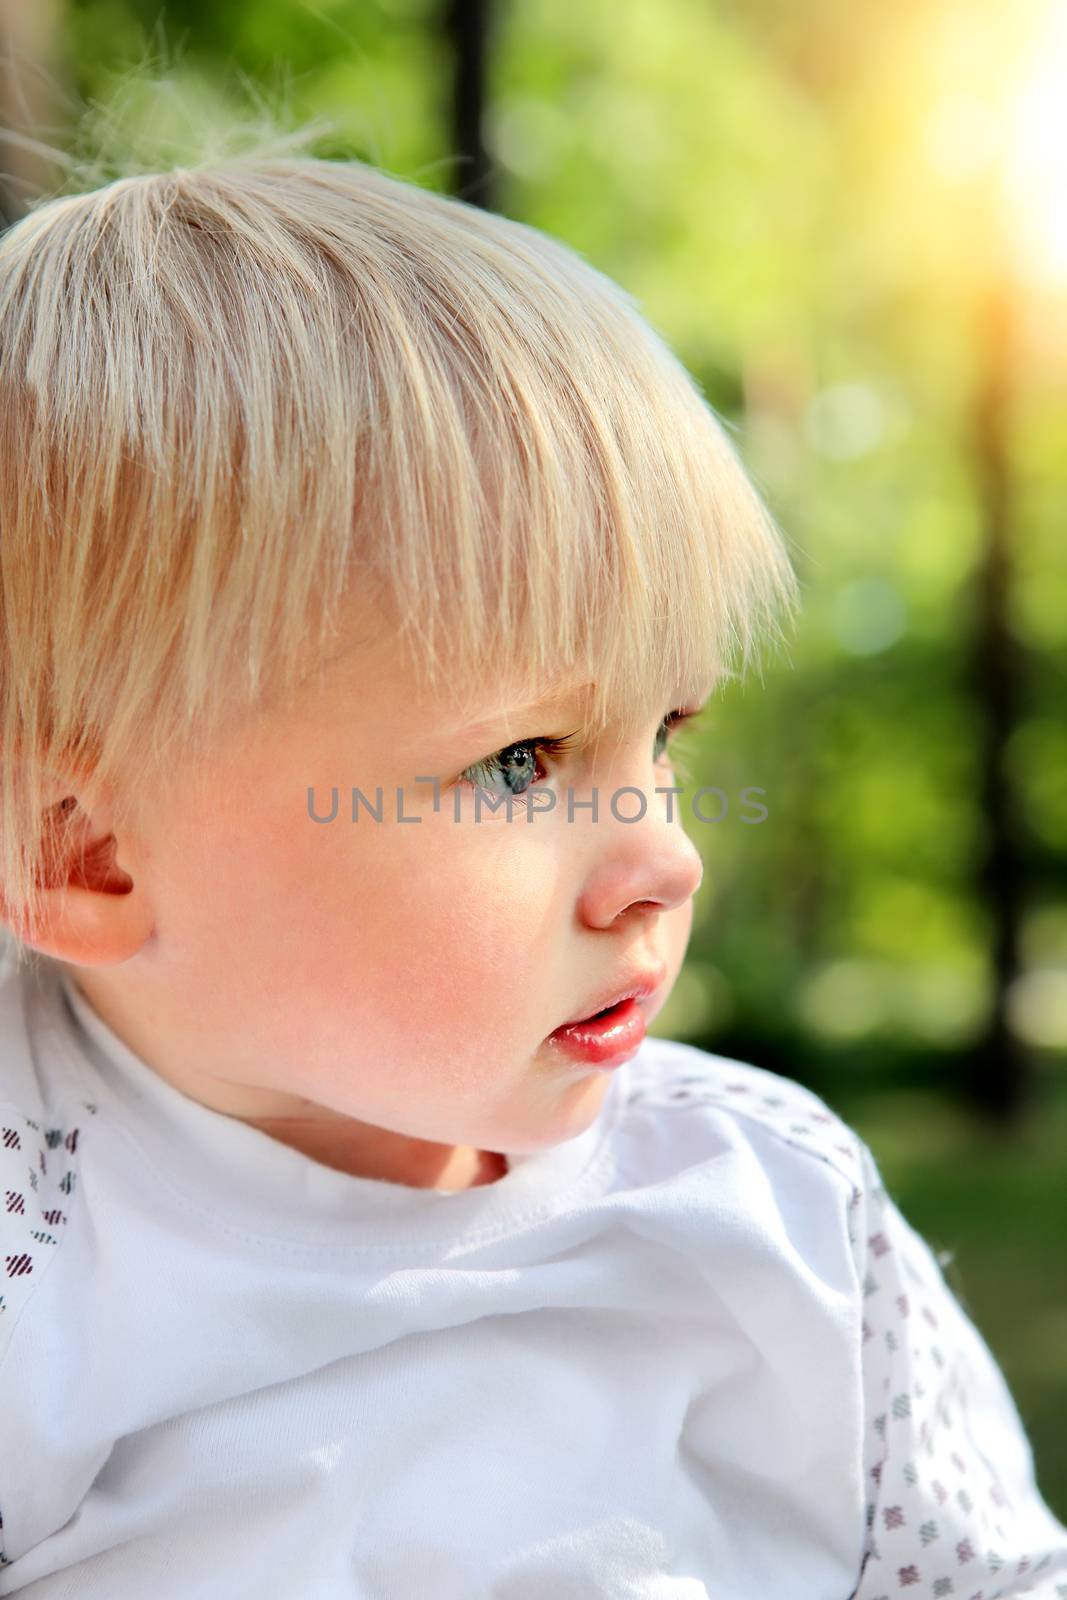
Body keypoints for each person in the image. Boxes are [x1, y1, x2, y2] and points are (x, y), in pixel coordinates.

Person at [0, 146, 1062, 1600]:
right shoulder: (37, 1262)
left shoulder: (770, 1208)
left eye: (668, 728)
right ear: (90, 852)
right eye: (521, 760)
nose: (664, 860)